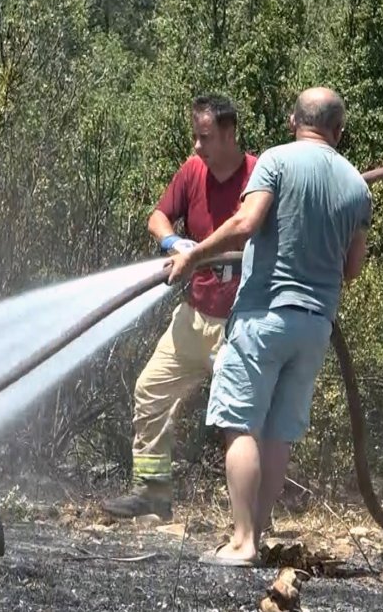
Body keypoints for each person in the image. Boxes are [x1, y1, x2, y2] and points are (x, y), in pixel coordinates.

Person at [167, 87, 373, 566]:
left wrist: (193, 254)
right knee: (278, 434)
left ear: (291, 120)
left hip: (264, 314)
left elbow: (247, 222)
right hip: (315, 326)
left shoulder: (275, 161)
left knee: (239, 423)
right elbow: (353, 268)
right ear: (339, 130)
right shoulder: (357, 187)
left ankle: (241, 543)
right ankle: (255, 536)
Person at [101, 95, 257, 520]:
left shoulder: (258, 175)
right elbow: (157, 215)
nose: (196, 146)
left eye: (204, 137)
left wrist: (204, 251)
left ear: (229, 134)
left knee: (241, 419)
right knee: (151, 390)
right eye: (195, 136)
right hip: (194, 316)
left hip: (241, 323)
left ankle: (251, 516)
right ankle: (152, 494)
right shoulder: (192, 172)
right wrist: (172, 240)